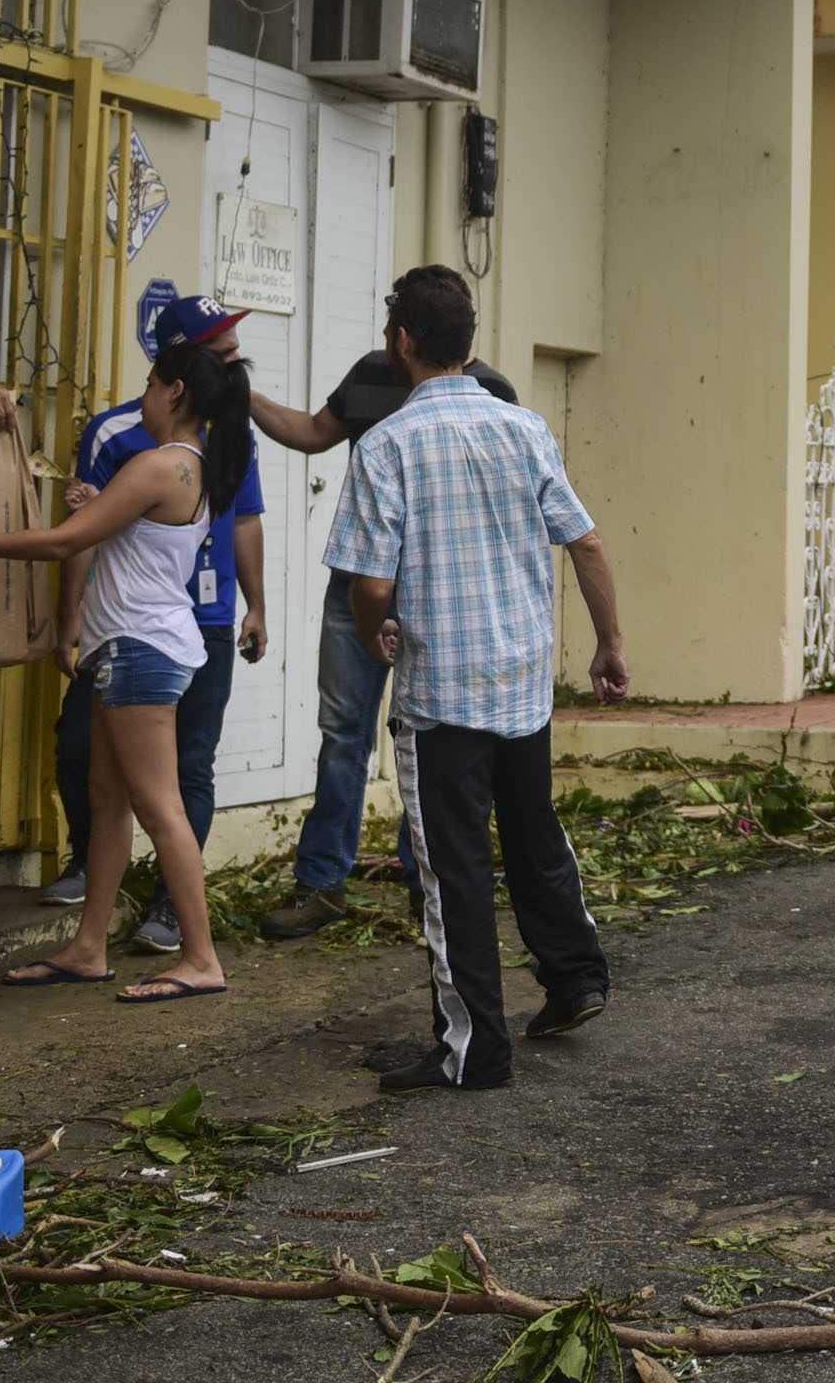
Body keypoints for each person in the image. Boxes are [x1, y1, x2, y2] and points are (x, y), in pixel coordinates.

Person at [327, 267, 628, 1093]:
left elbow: (373, 586)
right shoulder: (525, 429)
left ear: (403, 343)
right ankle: (574, 975)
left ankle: (474, 1049)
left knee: (451, 867)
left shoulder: (388, 444)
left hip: (440, 693)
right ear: (467, 342)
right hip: (522, 680)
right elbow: (589, 544)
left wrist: (371, 632)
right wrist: (608, 644)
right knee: (533, 834)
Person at [0, 337, 253, 1007]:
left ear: (174, 391)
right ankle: (89, 949)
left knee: (158, 804)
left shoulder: (158, 464)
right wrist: (98, 504)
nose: (142, 397)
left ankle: (200, 957)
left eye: (149, 384)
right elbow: (124, 532)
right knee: (111, 797)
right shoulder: (190, 464)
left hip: (139, 648)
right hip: (139, 643)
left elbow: (64, 541)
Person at [250, 326, 524, 942]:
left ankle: (423, 888)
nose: (383, 335)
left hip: (438, 592)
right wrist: (246, 394)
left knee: (430, 738)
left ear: (407, 334)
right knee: (343, 735)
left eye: (390, 323)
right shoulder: (370, 374)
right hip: (357, 587)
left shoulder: (491, 392)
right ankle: (321, 885)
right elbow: (313, 433)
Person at [41, 294, 267, 953]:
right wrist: (69, 621)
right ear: (181, 366)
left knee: (183, 774)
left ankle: (180, 923)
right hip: (126, 629)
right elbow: (86, 533)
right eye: (217, 343)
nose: (230, 353)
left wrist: (256, 604)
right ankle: (92, 896)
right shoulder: (118, 435)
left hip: (198, 624)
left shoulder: (226, 437)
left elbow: (246, 519)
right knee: (88, 758)